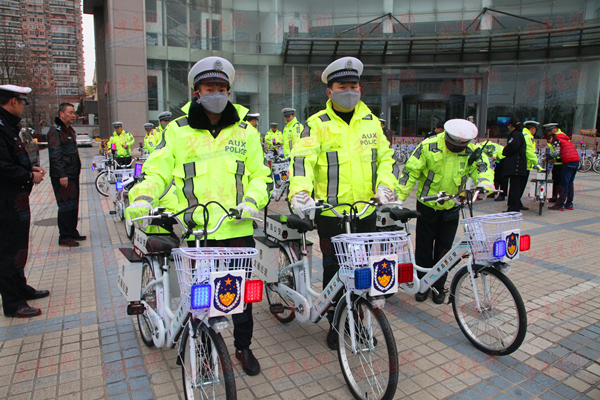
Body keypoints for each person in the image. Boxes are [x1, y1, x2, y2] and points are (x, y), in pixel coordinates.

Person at [126, 56, 271, 376]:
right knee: (200, 294)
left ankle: (242, 346)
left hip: (236, 228)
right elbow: (156, 171)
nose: (216, 93)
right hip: (195, 231)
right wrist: (144, 197)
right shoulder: (177, 131)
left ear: (229, 91)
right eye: (209, 87)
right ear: (196, 91)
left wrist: (251, 201)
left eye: (221, 88)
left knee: (241, 295)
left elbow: (261, 175)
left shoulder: (245, 132)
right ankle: (198, 343)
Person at [288, 56, 398, 350]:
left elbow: (385, 159)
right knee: (334, 269)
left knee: (363, 270)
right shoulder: (316, 125)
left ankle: (359, 322)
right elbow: (302, 162)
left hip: (365, 211)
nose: (349, 90)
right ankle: (336, 324)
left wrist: (386, 186)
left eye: (353, 85)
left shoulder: (372, 123)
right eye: (342, 86)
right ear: (330, 91)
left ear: (360, 88)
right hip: (330, 213)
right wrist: (301, 193)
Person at [397, 119, 493, 304]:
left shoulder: (472, 151)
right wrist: (400, 198)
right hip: (427, 206)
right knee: (424, 247)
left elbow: (482, 167)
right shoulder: (428, 146)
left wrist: (485, 182)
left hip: (452, 205)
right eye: (453, 143)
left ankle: (438, 286)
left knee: (444, 250)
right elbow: (410, 172)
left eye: (463, 144)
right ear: (447, 137)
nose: (458, 147)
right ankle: (423, 285)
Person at [0, 84, 49, 318]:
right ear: (12, 102)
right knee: (8, 252)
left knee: (19, 247)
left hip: (15, 200)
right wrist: (30, 176)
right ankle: (13, 303)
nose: (22, 106)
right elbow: (2, 166)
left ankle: (21, 288)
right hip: (6, 202)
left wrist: (29, 167)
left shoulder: (8, 127)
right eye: (21, 102)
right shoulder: (1, 128)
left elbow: (11, 159)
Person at [47, 102, 86, 248]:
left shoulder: (69, 130)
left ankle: (72, 231)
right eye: (69, 112)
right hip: (63, 176)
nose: (73, 115)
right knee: (65, 205)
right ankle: (64, 236)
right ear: (61, 114)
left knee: (73, 204)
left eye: (73, 112)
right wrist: (62, 174)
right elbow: (55, 155)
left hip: (72, 174)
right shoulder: (55, 131)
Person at [547, 130, 579, 210]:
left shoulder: (556, 140)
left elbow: (556, 153)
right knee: (570, 183)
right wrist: (556, 160)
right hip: (575, 162)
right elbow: (567, 154)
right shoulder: (566, 141)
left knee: (564, 183)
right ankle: (569, 203)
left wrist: (547, 157)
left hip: (568, 164)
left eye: (549, 140)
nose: (550, 142)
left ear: (551, 137)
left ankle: (560, 204)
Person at [502, 118, 528, 212]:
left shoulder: (516, 134)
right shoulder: (519, 134)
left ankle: (513, 208)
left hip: (516, 166)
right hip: (518, 166)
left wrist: (504, 151)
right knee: (514, 187)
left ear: (511, 126)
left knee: (514, 188)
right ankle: (513, 207)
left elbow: (512, 147)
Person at [519, 120, 541, 210]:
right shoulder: (528, 137)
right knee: (521, 185)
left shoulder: (522, 134)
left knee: (517, 185)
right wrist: (536, 163)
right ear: (533, 128)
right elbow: (529, 152)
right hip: (525, 164)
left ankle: (516, 202)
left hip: (520, 163)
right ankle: (517, 202)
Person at [544, 123, 562, 202]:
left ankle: (558, 198)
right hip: (555, 162)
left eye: (550, 130)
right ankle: (554, 196)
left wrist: (549, 158)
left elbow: (559, 151)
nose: (549, 133)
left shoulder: (559, 136)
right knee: (555, 180)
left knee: (559, 182)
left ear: (555, 128)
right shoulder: (555, 136)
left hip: (560, 162)